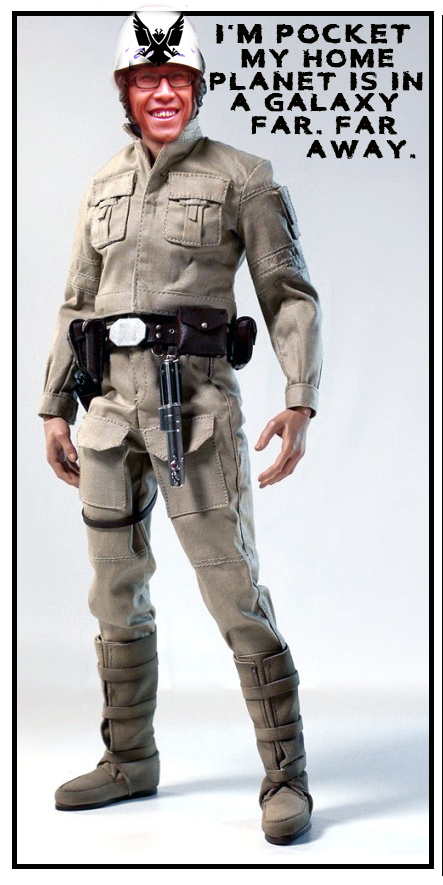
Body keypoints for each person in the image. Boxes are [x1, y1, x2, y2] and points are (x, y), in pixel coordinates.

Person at [39, 8, 322, 845]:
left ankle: (286, 775)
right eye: (145, 80)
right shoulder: (103, 184)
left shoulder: (244, 177)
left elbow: (287, 292)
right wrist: (54, 405)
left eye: (176, 79)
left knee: (233, 590)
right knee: (113, 592)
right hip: (108, 416)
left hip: (193, 412)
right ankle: (129, 757)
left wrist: (298, 395)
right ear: (125, 92)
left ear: (196, 89)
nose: (161, 93)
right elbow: (75, 302)